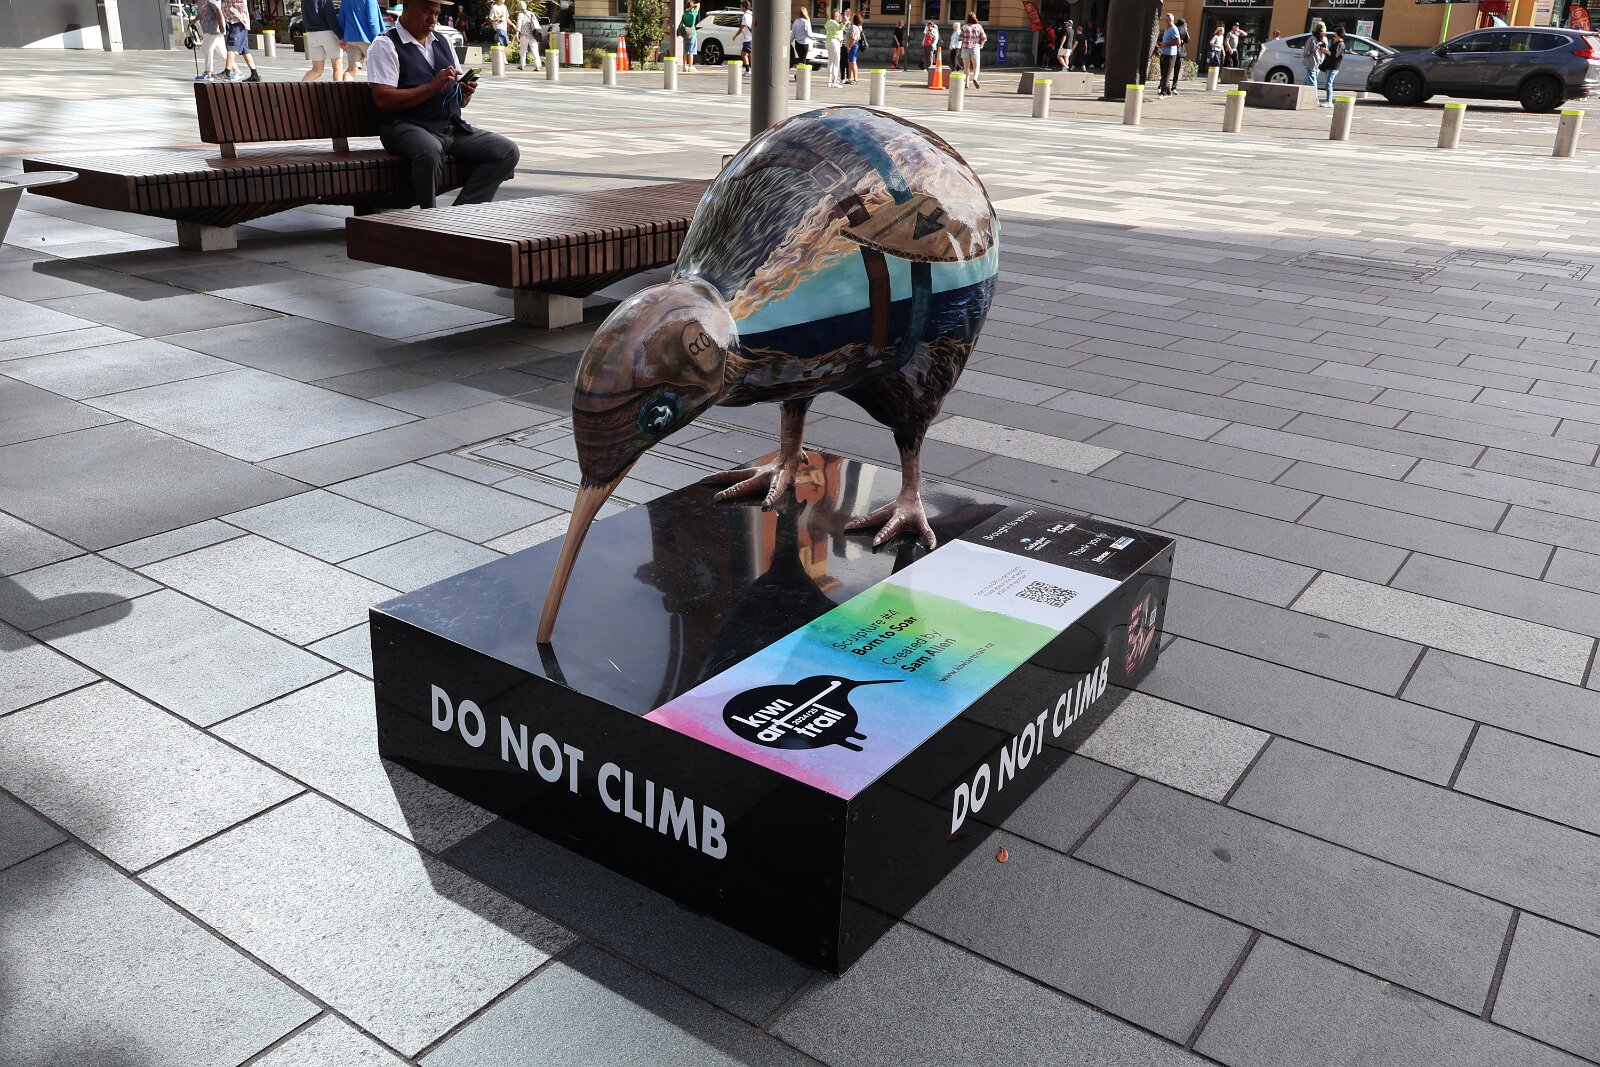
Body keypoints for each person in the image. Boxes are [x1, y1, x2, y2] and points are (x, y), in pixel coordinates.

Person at [367, 0, 520, 209]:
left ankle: (460, 214)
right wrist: (431, 87)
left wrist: (464, 94)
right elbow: (382, 99)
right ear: (407, 6)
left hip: (449, 126)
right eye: (426, 11)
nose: (432, 19)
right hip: (405, 125)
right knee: (429, 151)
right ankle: (428, 216)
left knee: (506, 151)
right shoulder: (385, 44)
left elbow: (458, 98)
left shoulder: (443, 41)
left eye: (436, 14)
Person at [340, 0, 385, 80]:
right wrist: (378, 39)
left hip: (351, 38)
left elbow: (341, 19)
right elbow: (373, 21)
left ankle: (345, 87)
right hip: (369, 39)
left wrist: (342, 37)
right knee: (377, 70)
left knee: (351, 70)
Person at [301, 0, 344, 81]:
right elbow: (331, 18)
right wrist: (340, 36)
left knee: (316, 70)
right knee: (337, 68)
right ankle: (337, 89)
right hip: (327, 32)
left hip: (311, 33)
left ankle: (300, 87)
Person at [221, 0, 260, 81]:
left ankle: (226, 73)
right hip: (234, 23)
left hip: (238, 23)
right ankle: (255, 74)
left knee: (231, 46)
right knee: (245, 50)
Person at [192, 0, 227, 80]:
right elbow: (202, 14)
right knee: (221, 51)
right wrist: (194, 21)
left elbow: (218, 10)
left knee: (207, 49)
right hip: (208, 29)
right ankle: (236, 70)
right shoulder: (200, 2)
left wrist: (221, 26)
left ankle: (208, 72)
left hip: (213, 29)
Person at [957, 11, 985, 87]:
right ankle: (975, 78)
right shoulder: (979, 26)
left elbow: (959, 38)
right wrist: (982, 45)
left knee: (966, 66)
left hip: (965, 48)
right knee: (976, 66)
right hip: (975, 48)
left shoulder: (964, 27)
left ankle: (966, 82)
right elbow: (984, 37)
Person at [513, 0, 543, 70]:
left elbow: (519, 24)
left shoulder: (520, 14)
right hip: (533, 34)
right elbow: (536, 23)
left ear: (519, 7)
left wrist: (517, 34)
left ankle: (522, 65)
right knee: (535, 50)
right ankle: (537, 66)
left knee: (523, 50)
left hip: (524, 35)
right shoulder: (531, 13)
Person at [1320, 27, 1345, 106]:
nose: (1333, 38)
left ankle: (1329, 101)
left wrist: (1326, 51)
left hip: (1333, 67)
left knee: (1328, 84)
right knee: (1328, 83)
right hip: (1330, 66)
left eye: (1334, 36)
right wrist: (1326, 52)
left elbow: (1334, 55)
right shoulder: (1336, 44)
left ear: (1339, 36)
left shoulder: (1340, 44)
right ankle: (1328, 101)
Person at [1156, 12, 1180, 96]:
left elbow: (1177, 41)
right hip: (1164, 53)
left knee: (1166, 74)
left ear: (1168, 20)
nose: (1163, 21)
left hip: (1170, 55)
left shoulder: (1173, 29)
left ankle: (1162, 93)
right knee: (1164, 73)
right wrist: (1161, 44)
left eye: (1164, 19)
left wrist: (1166, 44)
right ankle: (1169, 91)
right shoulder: (1167, 28)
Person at [1302, 25, 1327, 97]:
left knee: (1312, 82)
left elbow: (1306, 52)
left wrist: (1305, 56)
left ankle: (1314, 99)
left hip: (1311, 62)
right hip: (1319, 63)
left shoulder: (1312, 39)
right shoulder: (1325, 39)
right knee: (1308, 81)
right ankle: (1305, 97)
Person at [825, 9, 843, 85]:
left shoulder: (829, 22)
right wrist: (844, 23)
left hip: (830, 42)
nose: (837, 16)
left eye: (838, 15)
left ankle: (830, 81)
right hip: (834, 42)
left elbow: (838, 29)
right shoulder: (832, 22)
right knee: (836, 61)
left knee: (831, 61)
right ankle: (834, 81)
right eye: (836, 15)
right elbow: (839, 28)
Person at [681, 0, 700, 70]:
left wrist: (688, 9)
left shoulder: (684, 14)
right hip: (692, 33)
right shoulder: (693, 13)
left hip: (685, 33)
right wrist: (692, 7)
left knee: (685, 51)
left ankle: (684, 66)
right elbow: (698, 4)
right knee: (691, 51)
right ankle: (690, 66)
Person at [1173, 17, 1189, 91]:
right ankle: (1174, 87)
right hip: (1180, 53)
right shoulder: (1183, 30)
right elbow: (1188, 40)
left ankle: (1163, 86)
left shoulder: (1174, 29)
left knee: (1168, 70)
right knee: (1176, 71)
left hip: (1173, 52)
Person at [847, 13, 863, 83]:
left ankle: (855, 78)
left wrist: (849, 47)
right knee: (851, 61)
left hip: (853, 45)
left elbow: (853, 38)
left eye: (852, 17)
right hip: (855, 45)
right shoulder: (859, 26)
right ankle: (850, 77)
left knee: (853, 62)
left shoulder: (854, 27)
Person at [739, 0, 753, 73]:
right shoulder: (751, 14)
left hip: (748, 38)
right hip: (751, 37)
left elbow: (743, 26)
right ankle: (751, 69)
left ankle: (748, 70)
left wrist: (736, 35)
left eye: (741, 6)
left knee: (743, 53)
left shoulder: (745, 15)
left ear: (744, 7)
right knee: (749, 53)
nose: (740, 8)